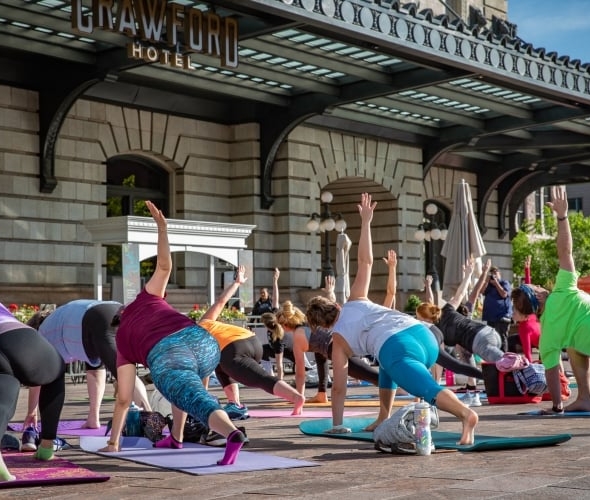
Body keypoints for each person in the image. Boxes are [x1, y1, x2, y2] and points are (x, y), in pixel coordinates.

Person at [306, 193, 478, 444]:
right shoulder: (356, 299)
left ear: (322, 326)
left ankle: (466, 415)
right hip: (424, 335)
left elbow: (339, 388)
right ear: (335, 305)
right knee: (385, 363)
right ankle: (383, 416)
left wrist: (338, 424)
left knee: (425, 389)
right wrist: (366, 222)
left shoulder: (339, 342)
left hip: (399, 347)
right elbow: (365, 261)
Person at [100, 201, 247, 466]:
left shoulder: (123, 340)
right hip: (204, 342)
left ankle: (231, 434)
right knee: (186, 389)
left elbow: (123, 399)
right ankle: (176, 437)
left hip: (169, 352)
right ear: (124, 311)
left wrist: (114, 443)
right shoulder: (147, 297)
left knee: (192, 396)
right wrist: (162, 228)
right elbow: (165, 268)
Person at [516, 186, 590, 414]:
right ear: (538, 295)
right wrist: (562, 217)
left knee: (573, 347)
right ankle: (585, 398)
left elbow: (551, 371)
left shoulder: (546, 332)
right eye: (537, 286)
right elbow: (565, 252)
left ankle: (585, 398)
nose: (540, 285)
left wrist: (557, 406)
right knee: (575, 347)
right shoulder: (562, 290)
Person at [26, 300, 151, 429]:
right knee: (122, 370)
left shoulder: (43, 334)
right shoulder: (61, 321)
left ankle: (151, 421)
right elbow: (96, 370)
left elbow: (38, 379)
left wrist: (31, 411)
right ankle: (93, 418)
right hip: (118, 310)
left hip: (97, 318)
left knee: (124, 375)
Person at [0, 302, 66, 482]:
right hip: (22, 338)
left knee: (6, 385)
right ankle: (46, 447)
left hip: (11, 337)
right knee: (56, 374)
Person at [509, 256, 541, 362]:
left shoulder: (524, 329)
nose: (512, 314)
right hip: (546, 340)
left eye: (514, 311)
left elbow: (528, 353)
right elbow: (527, 293)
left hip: (544, 345)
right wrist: (527, 270)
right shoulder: (531, 313)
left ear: (523, 313)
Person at [481, 264, 513, 351]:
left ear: (500, 274)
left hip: (502, 316)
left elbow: (504, 294)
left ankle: (504, 359)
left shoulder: (504, 283)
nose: (494, 275)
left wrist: (496, 283)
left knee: (501, 338)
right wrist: (486, 281)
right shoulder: (489, 286)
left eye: (496, 273)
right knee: (492, 338)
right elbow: (481, 291)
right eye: (492, 273)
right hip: (491, 317)